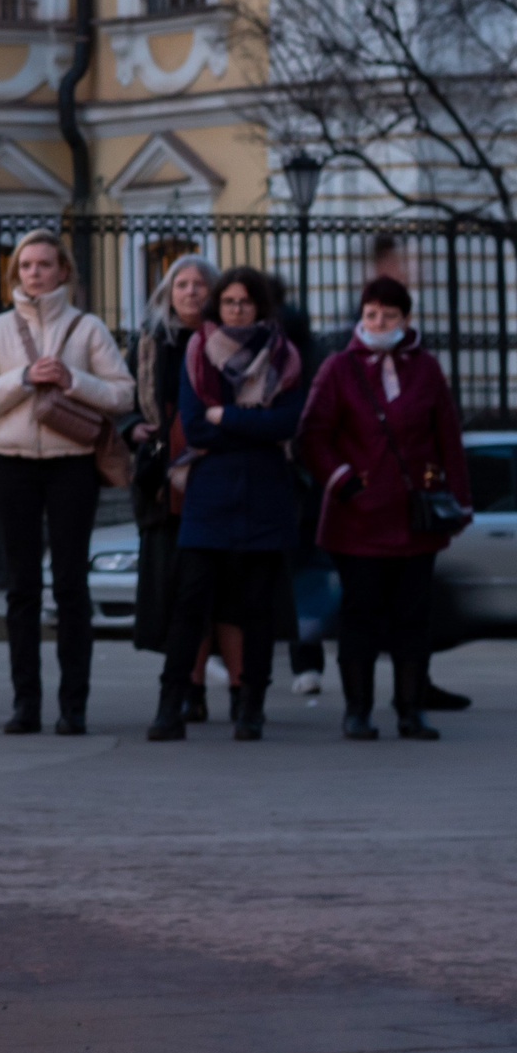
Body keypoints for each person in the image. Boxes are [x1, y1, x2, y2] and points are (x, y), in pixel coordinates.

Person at [0, 230, 132, 735]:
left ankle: (73, 704)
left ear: (63, 271)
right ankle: (25, 703)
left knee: (71, 585)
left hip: (71, 463)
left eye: (45, 264)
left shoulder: (87, 328)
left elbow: (122, 394)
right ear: (17, 273)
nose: (35, 273)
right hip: (11, 463)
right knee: (21, 588)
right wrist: (24, 378)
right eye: (27, 265)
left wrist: (71, 380)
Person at [298, 276, 470, 741]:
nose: (378, 322)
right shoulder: (338, 368)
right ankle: (358, 710)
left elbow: (448, 436)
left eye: (389, 316)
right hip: (358, 518)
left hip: (416, 518)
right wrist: (344, 482)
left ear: (405, 320)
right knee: (360, 615)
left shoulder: (426, 368)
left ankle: (411, 710)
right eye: (371, 314)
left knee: (414, 616)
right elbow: (312, 436)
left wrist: (460, 499)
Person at [148, 268, 305, 743]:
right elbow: (195, 428)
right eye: (230, 301)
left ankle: (250, 706)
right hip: (209, 492)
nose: (237, 309)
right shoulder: (199, 352)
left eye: (246, 302)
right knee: (189, 602)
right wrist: (253, 424)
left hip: (264, 492)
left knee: (256, 607)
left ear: (260, 306)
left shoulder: (285, 356)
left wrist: (229, 417)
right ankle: (170, 704)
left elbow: (287, 423)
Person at [129, 254, 223, 722]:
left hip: (216, 474)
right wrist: (133, 428)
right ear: (167, 292)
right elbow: (126, 400)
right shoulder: (148, 344)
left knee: (210, 592)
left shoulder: (227, 341)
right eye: (180, 284)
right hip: (163, 483)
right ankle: (182, 682)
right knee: (174, 591)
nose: (190, 292)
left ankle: (200, 685)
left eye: (199, 284)